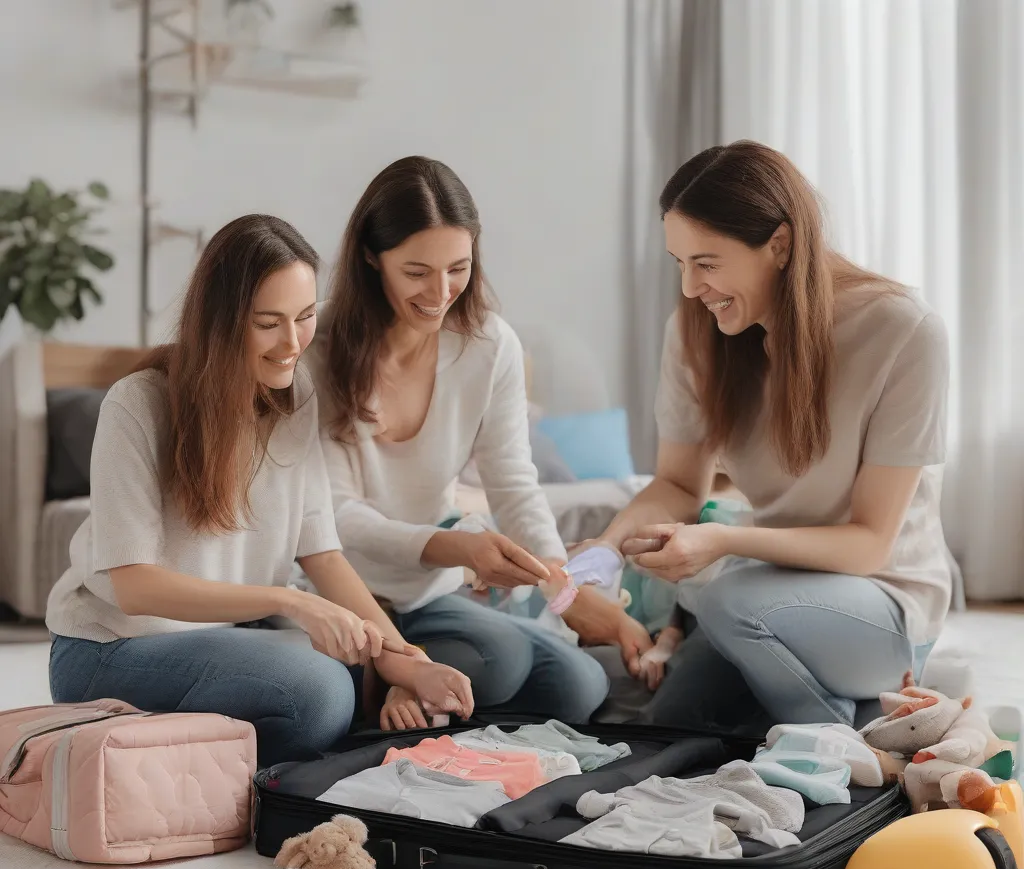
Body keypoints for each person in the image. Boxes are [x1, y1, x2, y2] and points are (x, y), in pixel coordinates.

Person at [46, 214, 473, 767]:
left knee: (351, 664)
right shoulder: (138, 404)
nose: (292, 343)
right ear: (221, 323)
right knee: (317, 691)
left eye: (305, 316)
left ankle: (201, 751)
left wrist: (405, 662)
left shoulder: (294, 397)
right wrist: (290, 602)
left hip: (224, 637)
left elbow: (322, 554)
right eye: (268, 323)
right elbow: (134, 588)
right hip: (112, 648)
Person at [592, 140, 951, 731]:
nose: (689, 288)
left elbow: (868, 544)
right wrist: (608, 544)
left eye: (706, 263)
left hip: (883, 602)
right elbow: (680, 483)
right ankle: (848, 715)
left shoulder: (905, 332)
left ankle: (851, 750)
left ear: (779, 245)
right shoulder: (694, 334)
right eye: (679, 264)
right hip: (767, 594)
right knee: (667, 725)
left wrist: (724, 543)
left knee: (726, 598)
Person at [309, 156, 651, 731]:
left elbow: (514, 482)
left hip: (425, 595)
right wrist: (461, 549)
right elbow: (336, 520)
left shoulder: (488, 346)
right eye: (416, 271)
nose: (439, 292)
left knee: (579, 686)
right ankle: (400, 675)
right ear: (372, 257)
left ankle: (408, 682)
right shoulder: (316, 348)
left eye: (458, 268)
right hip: (341, 595)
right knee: (504, 658)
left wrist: (561, 588)